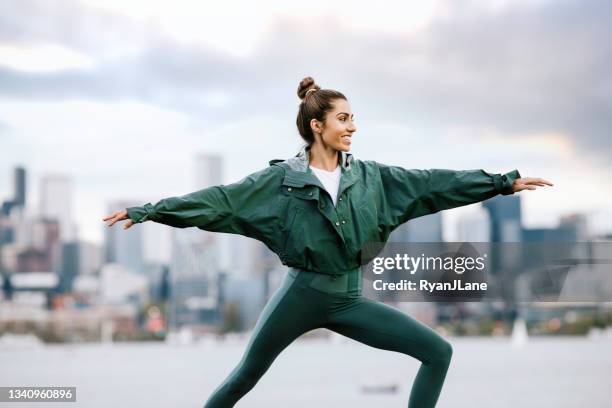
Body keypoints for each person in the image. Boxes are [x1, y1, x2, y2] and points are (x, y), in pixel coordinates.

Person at [103, 76, 553, 407]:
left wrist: (500, 183)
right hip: (301, 295)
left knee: (438, 351)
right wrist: (150, 210)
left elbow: (433, 184)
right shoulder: (281, 180)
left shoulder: (371, 177)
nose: (352, 126)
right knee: (243, 378)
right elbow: (221, 200)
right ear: (317, 125)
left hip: (349, 299)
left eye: (353, 118)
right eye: (343, 118)